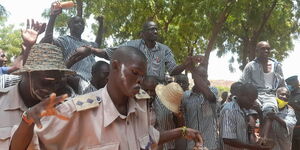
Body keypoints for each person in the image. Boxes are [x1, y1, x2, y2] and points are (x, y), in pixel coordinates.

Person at [10, 46, 204, 150]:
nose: (139, 81)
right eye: (134, 73)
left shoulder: (140, 109)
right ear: (115, 66)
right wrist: (28, 120)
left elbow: (149, 140)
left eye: (142, 76)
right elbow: (22, 146)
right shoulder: (78, 111)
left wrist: (182, 131)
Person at [0, 42, 74, 149]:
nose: (52, 89)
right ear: (27, 74)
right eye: (46, 82)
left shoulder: (62, 110)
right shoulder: (1, 101)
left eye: (57, 83)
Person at [41, 3, 106, 94]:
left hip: (93, 84)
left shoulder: (87, 44)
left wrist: (101, 24)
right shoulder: (64, 40)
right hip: (75, 83)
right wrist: (53, 17)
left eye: (82, 23)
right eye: (76, 22)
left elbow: (98, 43)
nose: (80, 24)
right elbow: (48, 41)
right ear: (69, 25)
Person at [105, 21, 204, 81]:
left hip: (158, 91)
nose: (155, 31)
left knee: (163, 115)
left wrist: (184, 64)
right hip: (138, 89)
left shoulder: (164, 50)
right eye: (151, 29)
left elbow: (173, 71)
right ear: (142, 34)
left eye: (156, 29)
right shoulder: (132, 45)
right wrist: (93, 50)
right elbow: (111, 53)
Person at [239, 41, 286, 144]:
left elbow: (282, 84)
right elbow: (243, 83)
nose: (266, 50)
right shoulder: (250, 66)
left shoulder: (277, 66)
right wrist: (248, 98)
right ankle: (252, 138)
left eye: (268, 48)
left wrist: (286, 100)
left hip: (270, 95)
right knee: (252, 111)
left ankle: (263, 139)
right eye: (263, 48)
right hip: (254, 95)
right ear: (256, 51)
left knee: (269, 110)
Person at [220, 83, 271, 150]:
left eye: (254, 100)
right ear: (240, 95)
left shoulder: (243, 110)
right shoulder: (230, 110)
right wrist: (252, 147)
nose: (252, 103)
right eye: (250, 100)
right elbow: (227, 139)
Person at [181, 65, 219, 150]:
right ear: (193, 77)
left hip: (210, 145)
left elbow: (210, 97)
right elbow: (183, 121)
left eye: (204, 76)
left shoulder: (213, 91)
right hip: (192, 145)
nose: (202, 79)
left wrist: (196, 75)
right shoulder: (185, 96)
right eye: (199, 76)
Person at [285, 75, 300, 150]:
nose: (289, 85)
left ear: (297, 82)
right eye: (288, 84)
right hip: (289, 129)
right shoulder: (287, 95)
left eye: (291, 83)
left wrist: (294, 106)